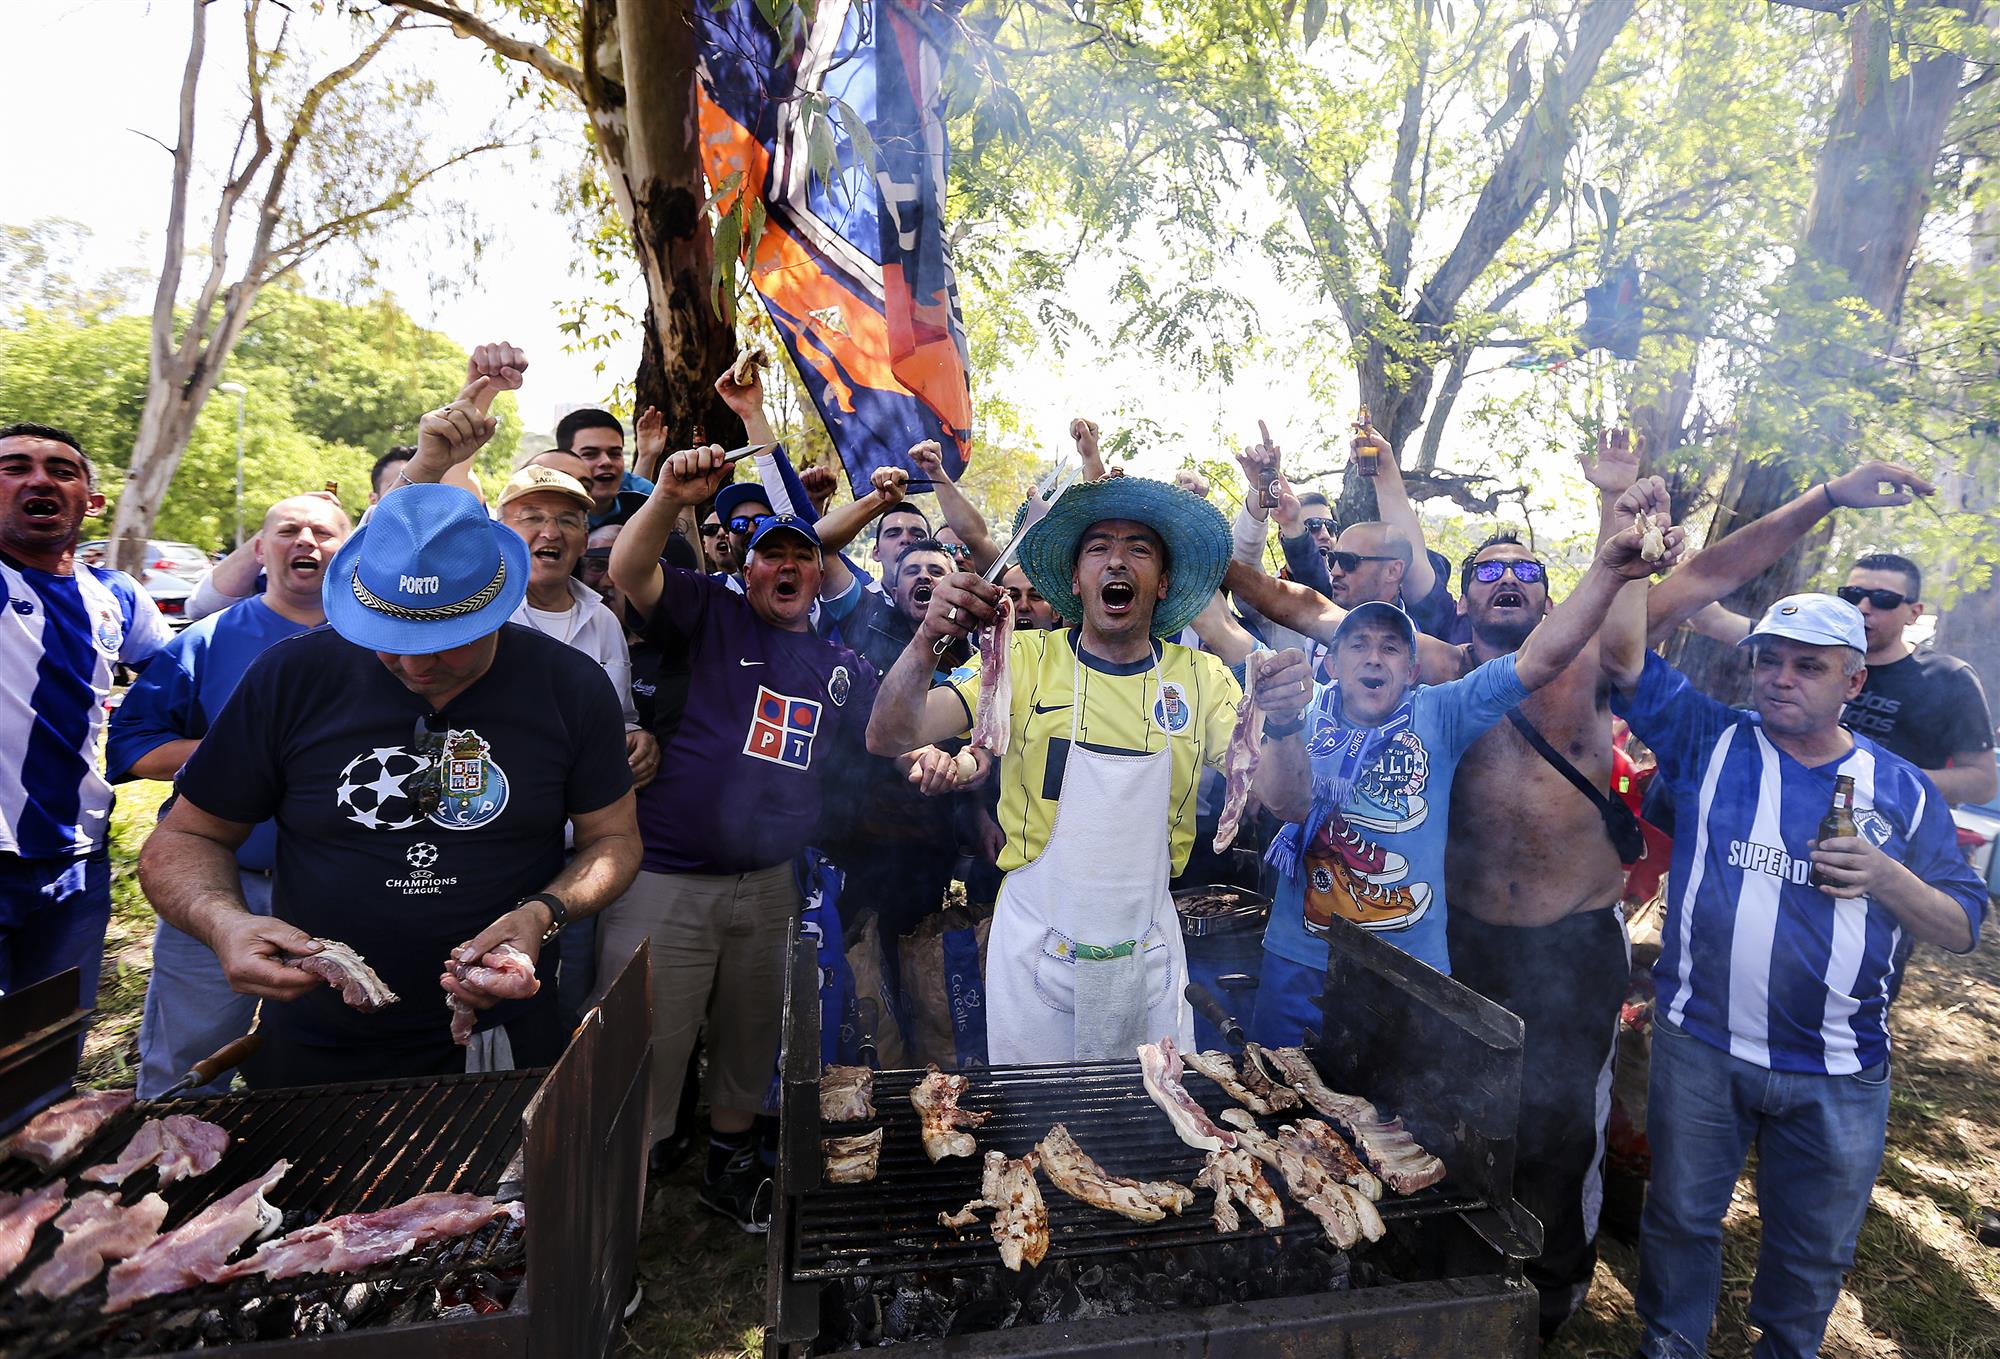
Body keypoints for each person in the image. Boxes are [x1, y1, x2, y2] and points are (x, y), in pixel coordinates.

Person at [1435, 445, 1937, 1338]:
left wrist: (1824, 492)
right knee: (1453, 1110)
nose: (1507, 582)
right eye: (1488, 572)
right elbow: (1312, 601)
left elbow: (1708, 570)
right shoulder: (1436, 669)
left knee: (1559, 1132)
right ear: (1462, 595)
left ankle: (1550, 1298)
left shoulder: (1590, 658)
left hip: (1571, 941)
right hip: (1461, 936)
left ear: (1550, 594)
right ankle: (1452, 1268)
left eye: (1525, 570)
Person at [137, 384, 641, 1086]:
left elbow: (613, 838)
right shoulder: (293, 675)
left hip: (499, 1037)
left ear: (497, 604)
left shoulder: (569, 685)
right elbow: (185, 836)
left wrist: (544, 913)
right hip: (318, 1038)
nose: (413, 664)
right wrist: (225, 922)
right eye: (389, 640)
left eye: (444, 643)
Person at [1601, 592, 1985, 1359]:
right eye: (1768, 660)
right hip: (1702, 1041)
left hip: (1838, 1065)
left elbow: (1963, 924)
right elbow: (1621, 655)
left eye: (1808, 665)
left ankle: (1786, 1347)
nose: (1780, 678)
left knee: (1811, 1249)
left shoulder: (1901, 788)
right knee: (1679, 1215)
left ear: (1853, 683)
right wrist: (1619, 519)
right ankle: (1672, 1339)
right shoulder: (1710, 739)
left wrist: (1886, 875)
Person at [1246, 477, 1685, 1053]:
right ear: (1332, 662)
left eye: (1391, 648)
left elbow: (1543, 656)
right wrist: (1212, 553)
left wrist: (1609, 565)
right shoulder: (1308, 706)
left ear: (1412, 668)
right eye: (1357, 645)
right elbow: (1286, 803)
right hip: (1303, 955)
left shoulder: (1446, 707)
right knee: (1277, 1105)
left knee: (1402, 1123)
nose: (1373, 658)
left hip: (1429, 960)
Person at [867, 476, 1280, 1062]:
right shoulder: (1022, 661)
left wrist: (1285, 721)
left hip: (1147, 949)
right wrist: (928, 638)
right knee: (1041, 1140)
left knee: (1153, 1118)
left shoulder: (1200, 679)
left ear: (1161, 583)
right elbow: (888, 735)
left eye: (1139, 548)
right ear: (1074, 579)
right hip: (1036, 948)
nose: (1117, 559)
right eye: (1098, 547)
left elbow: (1283, 798)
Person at [605, 444, 878, 1231]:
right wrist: (665, 495)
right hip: (667, 878)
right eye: (773, 556)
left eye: (805, 556)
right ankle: (622, 1197)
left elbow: (892, 731)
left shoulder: (837, 661)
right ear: (748, 570)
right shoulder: (706, 611)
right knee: (646, 1040)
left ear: (819, 575)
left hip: (769, 883)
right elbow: (630, 570)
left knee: (751, 1033)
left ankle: (727, 1174)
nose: (788, 567)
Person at [107, 493, 351, 1098]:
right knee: (187, 1063)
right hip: (225, 885)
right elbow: (132, 745)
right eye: (288, 531)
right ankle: (164, 1182)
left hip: (344, 889)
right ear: (261, 550)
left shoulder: (381, 644)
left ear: (347, 552)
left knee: (332, 1061)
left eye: (322, 533)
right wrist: (242, 753)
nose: (305, 543)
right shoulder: (210, 639)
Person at [0, 423, 171, 1034]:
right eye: (15, 467)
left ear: (90, 502)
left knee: (47, 1048)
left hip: (77, 862)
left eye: (61, 470)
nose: (39, 479)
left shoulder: (116, 596)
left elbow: (183, 682)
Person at [557, 405, 655, 529]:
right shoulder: (541, 505)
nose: (606, 462)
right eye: (590, 454)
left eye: (615, 453)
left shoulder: (642, 493)